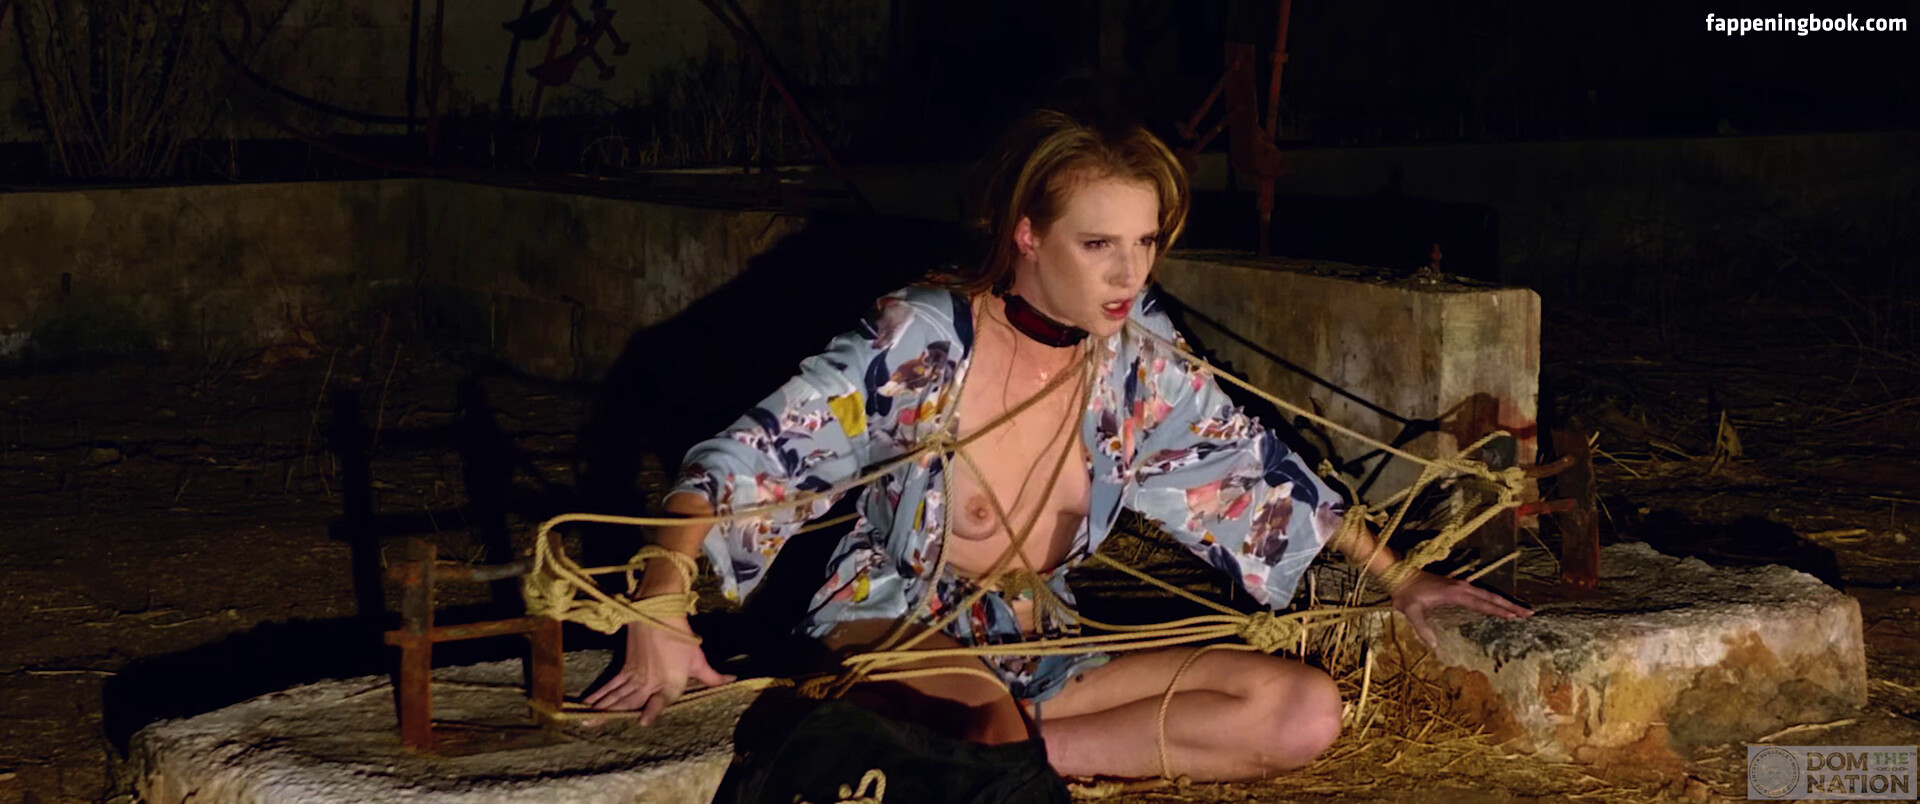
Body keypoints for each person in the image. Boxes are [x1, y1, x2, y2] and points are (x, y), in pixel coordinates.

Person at [584, 109, 1530, 782]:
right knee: (985, 734)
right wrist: (660, 600)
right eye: (1099, 245)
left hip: (1039, 639)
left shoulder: (1138, 359)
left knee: (1303, 712)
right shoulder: (925, 338)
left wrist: (1403, 580)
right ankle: (976, 758)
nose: (1130, 274)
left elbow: (1255, 468)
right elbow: (747, 459)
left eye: (1146, 243)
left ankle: (999, 767)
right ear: (1027, 234)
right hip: (893, 624)